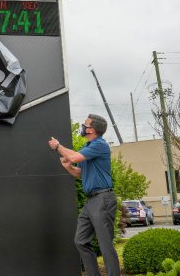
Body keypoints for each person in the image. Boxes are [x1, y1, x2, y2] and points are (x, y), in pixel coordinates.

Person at [48, 114, 119, 276]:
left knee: (105, 244)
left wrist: (58, 146)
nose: (82, 126)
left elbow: (73, 156)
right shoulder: (89, 148)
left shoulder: (99, 145)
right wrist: (68, 167)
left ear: (92, 129)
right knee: (81, 241)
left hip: (103, 199)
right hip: (91, 201)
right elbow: (79, 172)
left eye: (85, 124)